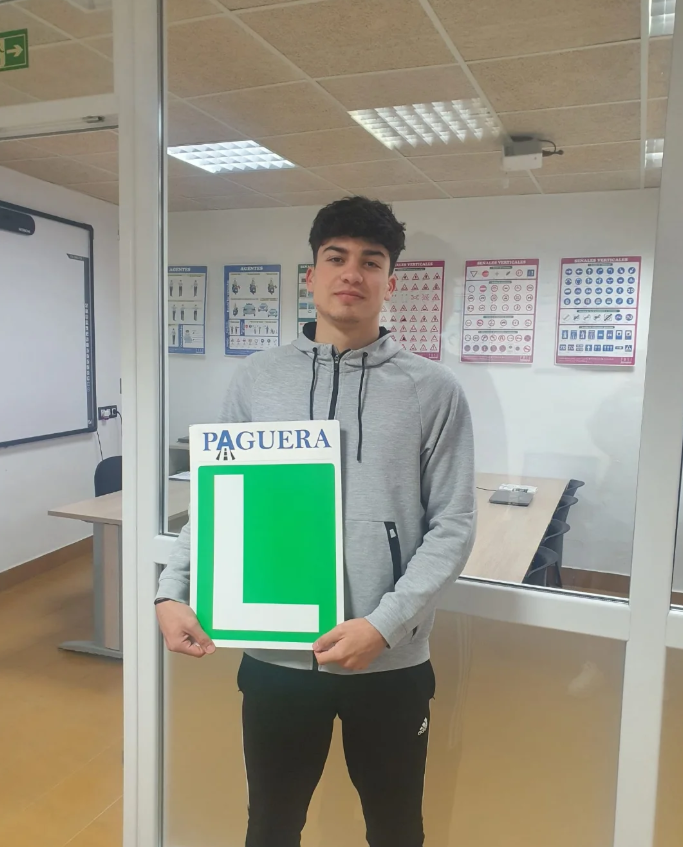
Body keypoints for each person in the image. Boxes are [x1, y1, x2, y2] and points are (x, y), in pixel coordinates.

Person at [155, 196, 476, 847]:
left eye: (370, 260)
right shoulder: (256, 379)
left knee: (393, 828)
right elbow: (220, 499)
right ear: (310, 275)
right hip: (274, 656)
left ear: (391, 282)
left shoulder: (432, 390)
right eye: (336, 257)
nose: (351, 273)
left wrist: (381, 627)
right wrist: (172, 587)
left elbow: (452, 525)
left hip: (385, 663)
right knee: (271, 825)